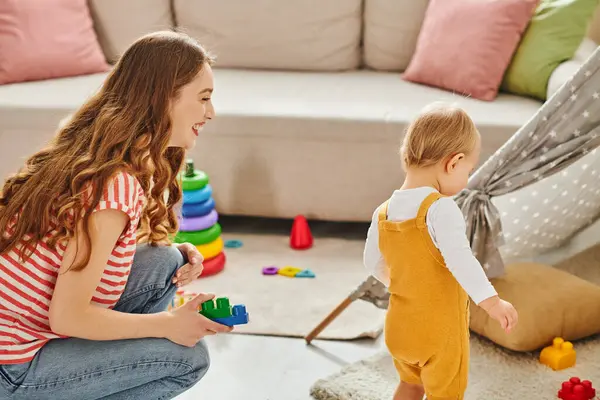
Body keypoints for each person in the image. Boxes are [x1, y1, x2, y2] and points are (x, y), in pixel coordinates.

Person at [0, 31, 233, 400]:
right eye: (203, 98)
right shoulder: (114, 185)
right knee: (188, 358)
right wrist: (169, 325)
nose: (211, 112)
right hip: (12, 367)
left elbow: (91, 250)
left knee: (165, 261)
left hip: (20, 337)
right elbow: (68, 318)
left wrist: (171, 302)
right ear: (162, 99)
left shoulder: (99, 156)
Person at [363, 103, 518, 400]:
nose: (467, 179)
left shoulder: (382, 212)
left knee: (410, 384)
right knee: (444, 393)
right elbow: (461, 261)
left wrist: (407, 282)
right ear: (453, 162)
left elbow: (372, 263)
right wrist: (493, 303)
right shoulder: (440, 207)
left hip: (399, 327)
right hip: (439, 332)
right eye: (468, 170)